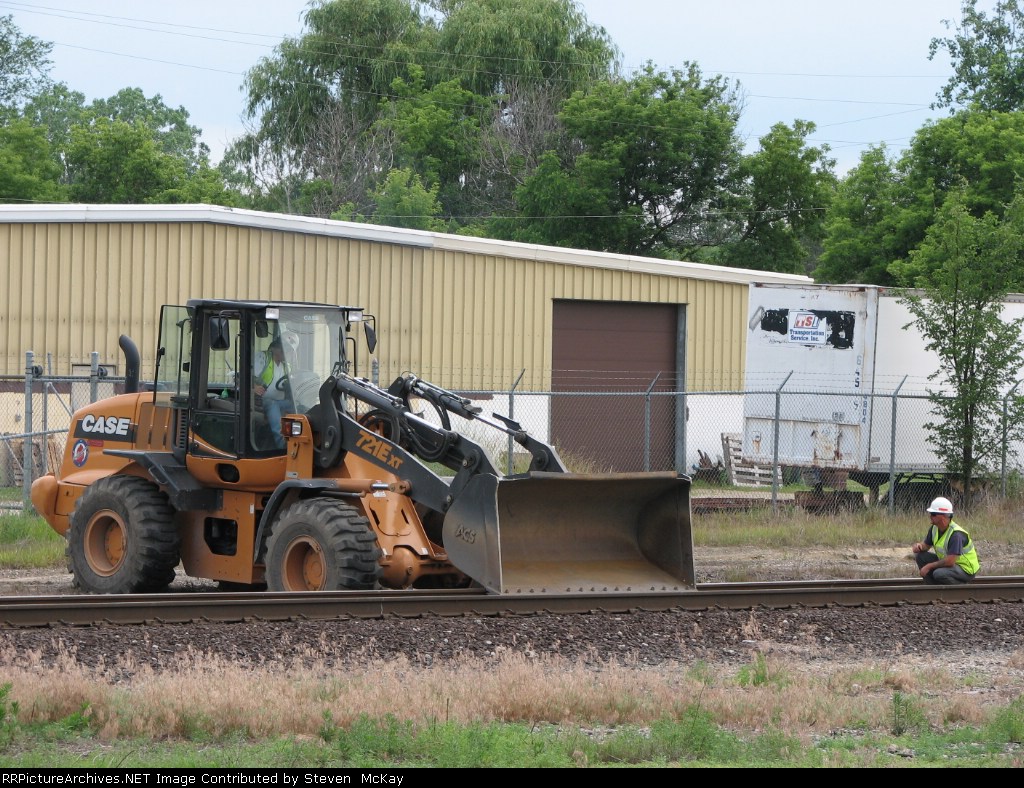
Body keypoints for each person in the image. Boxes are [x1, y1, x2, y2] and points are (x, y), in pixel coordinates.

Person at [911, 496, 979, 585]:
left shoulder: (956, 534)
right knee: (920, 556)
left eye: (933, 514)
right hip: (951, 564)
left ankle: (962, 589)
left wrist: (929, 566)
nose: (930, 516)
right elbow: (926, 546)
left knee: (939, 574)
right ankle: (932, 588)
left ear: (943, 516)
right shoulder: (934, 528)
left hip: (965, 569)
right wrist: (919, 546)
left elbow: (950, 561)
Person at [253, 334, 296, 449]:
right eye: (286, 350)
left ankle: (302, 437)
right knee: (273, 404)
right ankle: (282, 443)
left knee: (297, 406)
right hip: (262, 400)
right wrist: (254, 387)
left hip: (280, 401)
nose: (287, 354)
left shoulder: (286, 366)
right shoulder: (263, 358)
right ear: (278, 348)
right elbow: (244, 376)